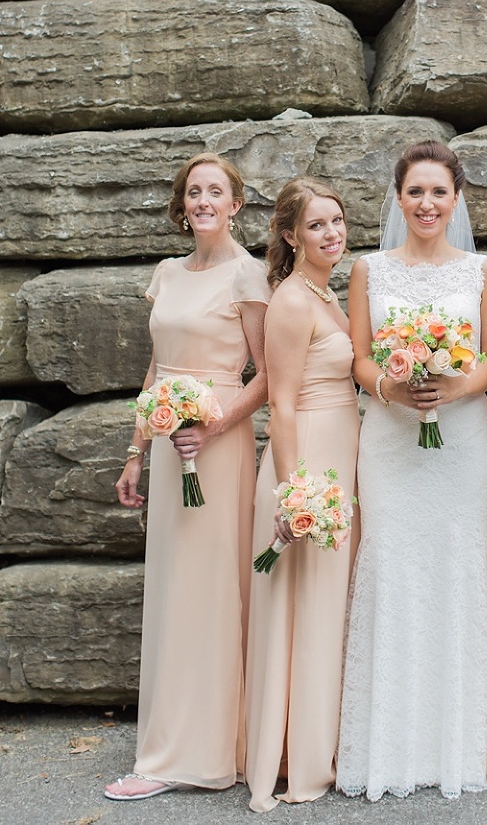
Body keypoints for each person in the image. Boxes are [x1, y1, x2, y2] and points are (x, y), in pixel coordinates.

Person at [336, 140, 487, 802]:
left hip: (462, 442)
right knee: (394, 566)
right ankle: (387, 745)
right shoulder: (368, 270)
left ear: (456, 198)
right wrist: (394, 387)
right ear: (398, 199)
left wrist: (452, 390)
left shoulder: (485, 271)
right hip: (390, 441)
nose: (427, 203)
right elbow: (357, 359)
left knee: (460, 569)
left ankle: (460, 742)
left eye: (439, 191)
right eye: (415, 192)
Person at [105, 153, 271, 801]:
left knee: (207, 590)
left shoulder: (247, 274)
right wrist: (134, 449)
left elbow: (267, 375)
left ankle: (190, 754)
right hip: (171, 447)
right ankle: (183, 737)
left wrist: (217, 424)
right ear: (183, 204)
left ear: (235, 204)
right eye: (193, 190)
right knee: (174, 591)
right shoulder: (166, 272)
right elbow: (157, 369)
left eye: (215, 191)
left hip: (218, 445)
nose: (203, 199)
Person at [245, 177, 359, 812]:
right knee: (306, 610)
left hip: (339, 453)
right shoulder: (291, 301)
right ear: (290, 236)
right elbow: (280, 403)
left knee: (326, 608)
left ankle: (322, 743)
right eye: (317, 225)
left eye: (337, 221)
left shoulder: (325, 293)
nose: (332, 233)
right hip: (308, 457)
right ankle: (299, 759)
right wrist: (293, 494)